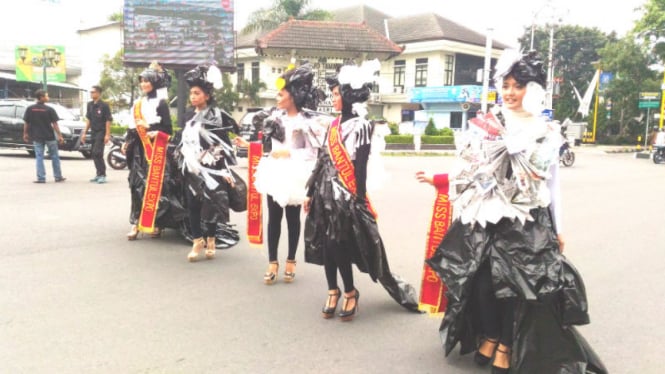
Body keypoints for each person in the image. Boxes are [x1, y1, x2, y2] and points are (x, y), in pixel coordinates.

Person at [416, 50, 606, 373]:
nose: (509, 93)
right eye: (505, 85)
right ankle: (488, 332)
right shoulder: (489, 121)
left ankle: (505, 342)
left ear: (531, 88)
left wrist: (558, 228)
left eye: (517, 86)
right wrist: (444, 182)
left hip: (527, 220)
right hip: (487, 214)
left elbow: (551, 184)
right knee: (480, 282)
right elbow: (470, 168)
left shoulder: (545, 130)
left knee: (514, 287)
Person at [304, 60, 419, 322]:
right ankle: (332, 290)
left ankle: (350, 291)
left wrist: (358, 198)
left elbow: (360, 167)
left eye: (336, 94)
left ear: (347, 95)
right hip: (323, 193)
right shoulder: (333, 126)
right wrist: (310, 193)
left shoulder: (362, 126)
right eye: (332, 94)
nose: (333, 99)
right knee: (325, 243)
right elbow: (322, 160)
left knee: (338, 244)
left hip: (345, 195)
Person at [235, 62, 326, 284]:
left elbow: (314, 152)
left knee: (293, 219)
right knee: (273, 218)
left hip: (294, 173)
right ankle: (272, 261)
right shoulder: (273, 118)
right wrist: (248, 146)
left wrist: (289, 153)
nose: (277, 97)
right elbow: (267, 147)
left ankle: (291, 260)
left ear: (293, 96)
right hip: (274, 172)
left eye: (281, 93)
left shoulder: (308, 122)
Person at [176, 64, 240, 262]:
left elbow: (223, 144)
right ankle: (197, 240)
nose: (193, 96)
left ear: (207, 95)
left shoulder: (217, 116)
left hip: (211, 168)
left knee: (210, 206)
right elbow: (183, 138)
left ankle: (211, 239)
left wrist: (224, 170)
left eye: (197, 93)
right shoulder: (188, 114)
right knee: (192, 205)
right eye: (191, 93)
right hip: (191, 168)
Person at [123, 61, 174, 240]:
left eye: (147, 80)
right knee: (136, 186)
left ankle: (157, 223)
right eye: (142, 81)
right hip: (138, 151)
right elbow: (132, 127)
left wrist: (150, 126)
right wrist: (127, 141)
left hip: (155, 151)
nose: (144, 84)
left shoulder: (161, 104)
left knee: (156, 187)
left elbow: (168, 130)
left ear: (154, 82)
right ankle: (136, 222)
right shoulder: (137, 103)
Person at [22, 89, 66, 183]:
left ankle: (41, 178)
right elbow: (55, 124)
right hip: (49, 136)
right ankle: (58, 176)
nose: (48, 97)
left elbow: (26, 123)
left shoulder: (30, 109)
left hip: (37, 137)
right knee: (54, 156)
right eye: (46, 96)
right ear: (41, 97)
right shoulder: (49, 109)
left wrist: (25, 134)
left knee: (39, 157)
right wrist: (60, 136)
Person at [81, 85, 113, 184]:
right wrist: (84, 133)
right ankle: (98, 174)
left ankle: (102, 175)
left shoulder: (104, 105)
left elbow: (108, 120)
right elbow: (89, 120)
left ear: (99, 93)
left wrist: (107, 134)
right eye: (91, 92)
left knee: (97, 153)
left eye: (93, 92)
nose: (91, 94)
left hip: (101, 132)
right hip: (93, 132)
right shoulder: (90, 105)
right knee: (93, 154)